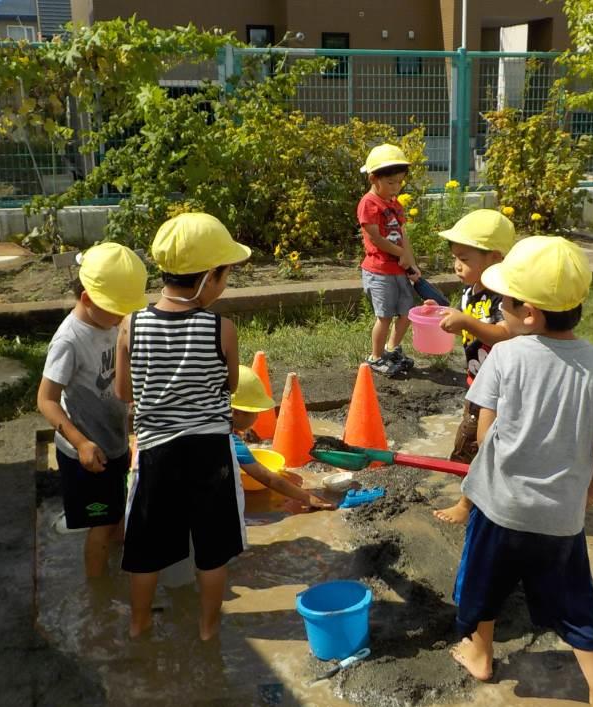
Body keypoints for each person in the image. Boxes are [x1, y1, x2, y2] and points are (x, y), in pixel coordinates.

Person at [449, 236, 593, 707]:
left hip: (500, 509)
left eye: (503, 303)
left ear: (528, 313)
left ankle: (480, 654)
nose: (499, 311)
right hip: (562, 518)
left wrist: (486, 481)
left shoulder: (507, 357)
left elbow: (486, 432)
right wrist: (590, 492)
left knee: (482, 585)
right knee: (576, 603)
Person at [114, 212, 250, 640]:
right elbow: (230, 384)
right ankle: (209, 631)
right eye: (226, 274)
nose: (225, 283)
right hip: (210, 453)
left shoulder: (130, 325)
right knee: (212, 550)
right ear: (209, 276)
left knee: (146, 548)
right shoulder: (221, 328)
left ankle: (138, 627)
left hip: (156, 453)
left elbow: (123, 391)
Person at [37, 243, 148, 578]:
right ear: (87, 299)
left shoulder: (111, 323)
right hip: (83, 455)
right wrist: (81, 443)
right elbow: (46, 400)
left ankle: (118, 571)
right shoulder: (68, 340)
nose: (122, 318)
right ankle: (98, 595)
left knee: (115, 514)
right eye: (117, 311)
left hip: (112, 444)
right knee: (99, 525)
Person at [429, 209, 516, 524]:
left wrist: (466, 321)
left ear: (494, 257)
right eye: (455, 257)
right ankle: (485, 492)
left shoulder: (503, 296)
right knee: (471, 442)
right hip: (477, 382)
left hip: (501, 389)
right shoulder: (472, 288)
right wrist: (446, 313)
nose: (456, 265)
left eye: (464, 259)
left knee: (483, 443)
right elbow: (469, 317)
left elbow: (506, 333)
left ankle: (467, 505)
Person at [231, 365, 335, 510]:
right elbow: (267, 477)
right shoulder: (230, 443)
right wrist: (306, 496)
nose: (258, 417)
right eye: (254, 411)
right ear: (235, 412)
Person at [358, 143, 420, 377]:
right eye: (391, 183)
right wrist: (400, 254)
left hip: (398, 269)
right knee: (384, 317)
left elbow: (403, 234)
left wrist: (411, 262)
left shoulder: (395, 204)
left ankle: (391, 349)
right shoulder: (369, 203)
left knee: (406, 314)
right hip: (379, 271)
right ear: (374, 179)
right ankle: (375, 358)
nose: (396, 187)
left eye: (400, 182)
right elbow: (376, 239)